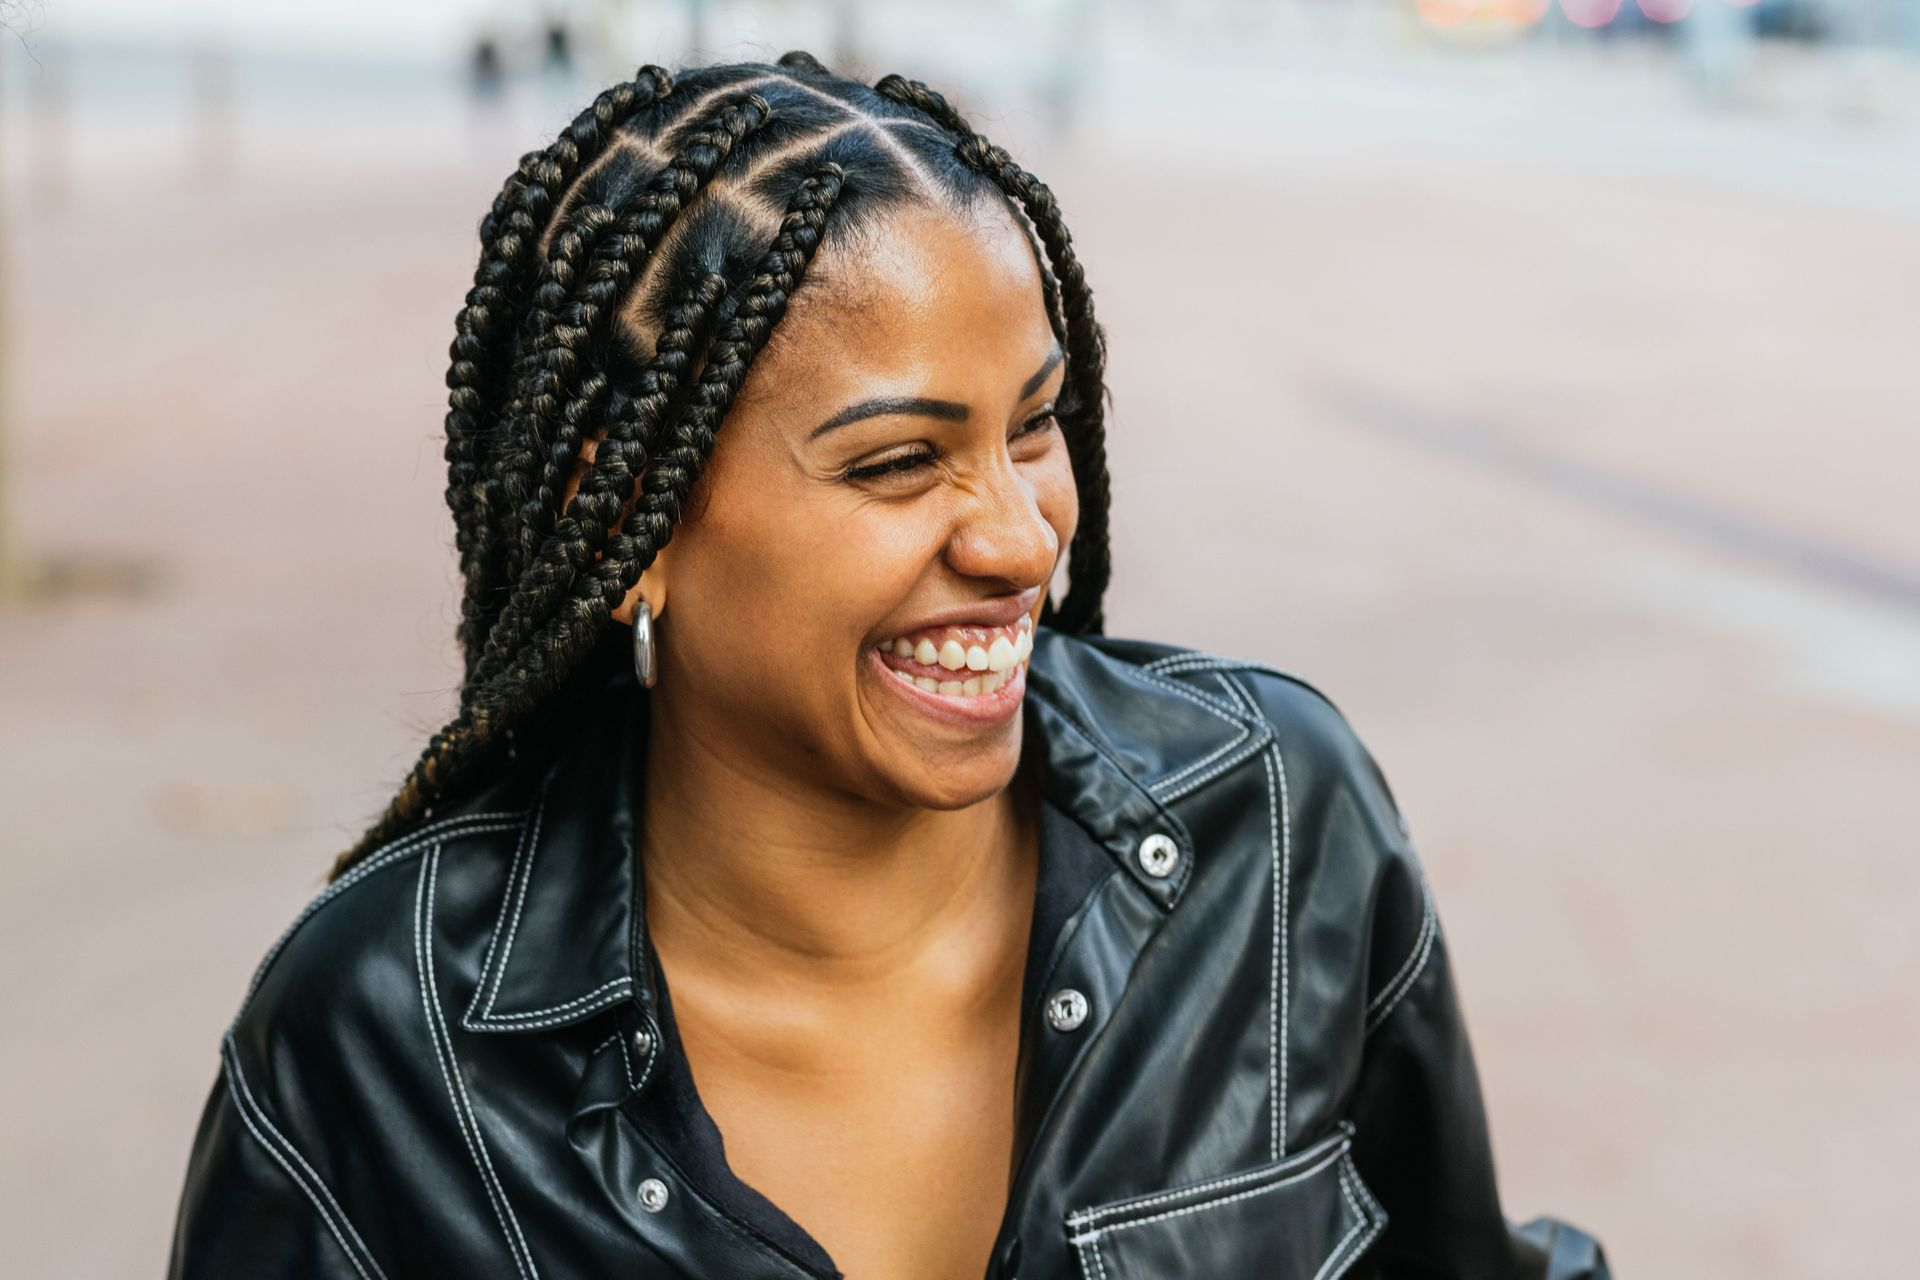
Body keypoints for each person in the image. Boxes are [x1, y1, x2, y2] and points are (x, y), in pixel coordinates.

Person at [165, 52, 1613, 1280]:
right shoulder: (381, 1036)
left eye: (1034, 427)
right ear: (625, 516)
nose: (1018, 536)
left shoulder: (1277, 825)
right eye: (900, 460)